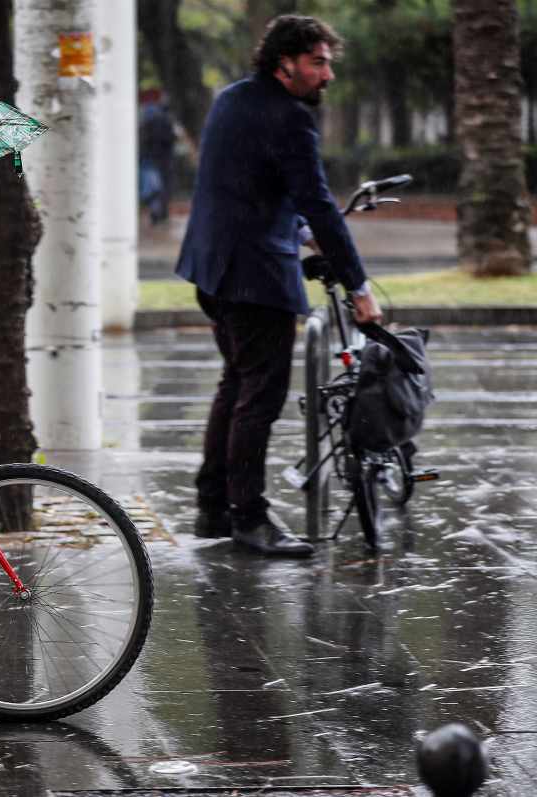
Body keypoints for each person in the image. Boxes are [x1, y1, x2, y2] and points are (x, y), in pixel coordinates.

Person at [175, 14, 382, 557]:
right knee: (258, 400)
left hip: (212, 269)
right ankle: (250, 517)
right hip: (255, 278)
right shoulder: (289, 117)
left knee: (235, 385)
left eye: (328, 61)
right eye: (318, 62)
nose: (328, 74)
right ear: (284, 63)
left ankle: (213, 502)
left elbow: (247, 186)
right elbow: (315, 199)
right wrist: (359, 287)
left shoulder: (231, 100)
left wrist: (301, 230)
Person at [138, 89, 176, 225]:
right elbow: (170, 138)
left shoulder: (146, 118)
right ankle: (159, 213)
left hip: (150, 158)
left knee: (154, 188)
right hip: (160, 159)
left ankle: (157, 213)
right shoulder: (164, 118)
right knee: (158, 188)